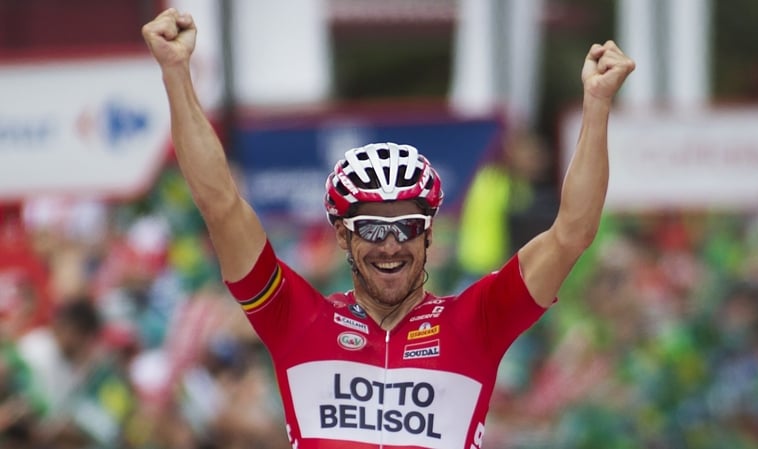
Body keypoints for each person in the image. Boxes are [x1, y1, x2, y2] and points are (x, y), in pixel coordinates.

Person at [141, 8, 635, 449]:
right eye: (373, 229)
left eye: (408, 227)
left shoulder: (475, 322)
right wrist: (176, 73)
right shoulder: (298, 320)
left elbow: (571, 233)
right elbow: (220, 205)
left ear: (429, 235)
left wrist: (596, 105)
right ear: (343, 237)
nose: (392, 244)